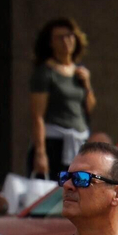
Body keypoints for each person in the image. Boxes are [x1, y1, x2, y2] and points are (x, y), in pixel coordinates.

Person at [28, 18, 96, 175]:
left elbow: (89, 107)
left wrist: (87, 84)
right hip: (54, 144)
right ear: (50, 43)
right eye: (60, 38)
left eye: (69, 36)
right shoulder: (45, 73)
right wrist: (40, 153)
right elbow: (37, 116)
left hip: (79, 141)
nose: (66, 41)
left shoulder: (79, 71)